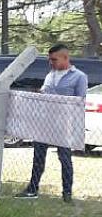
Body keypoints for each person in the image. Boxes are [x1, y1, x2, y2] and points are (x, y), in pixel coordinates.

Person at [15, 43, 88, 202]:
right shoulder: (50, 75)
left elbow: (80, 101)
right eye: (50, 60)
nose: (51, 63)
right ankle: (32, 189)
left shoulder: (79, 77)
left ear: (65, 57)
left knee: (64, 158)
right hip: (44, 122)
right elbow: (45, 92)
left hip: (63, 124)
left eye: (54, 59)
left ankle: (67, 193)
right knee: (38, 157)